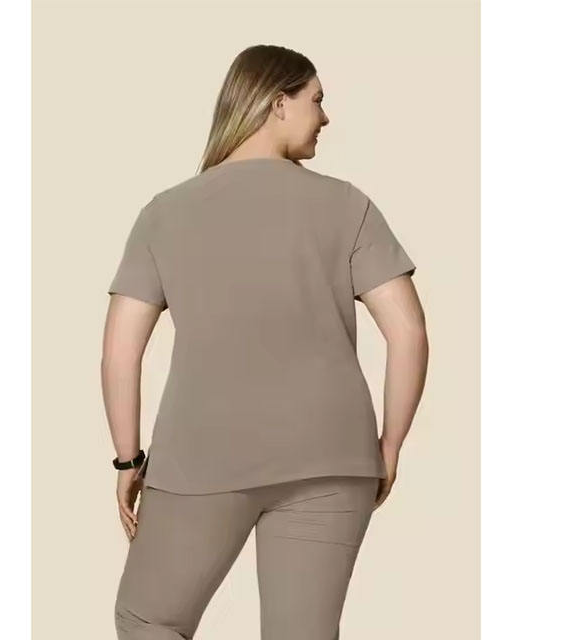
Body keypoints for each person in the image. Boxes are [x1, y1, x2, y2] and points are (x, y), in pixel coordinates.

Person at [101, 44, 428, 640]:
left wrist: (128, 458)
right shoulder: (348, 205)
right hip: (334, 455)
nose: (325, 117)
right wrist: (389, 444)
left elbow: (121, 350)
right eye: (316, 100)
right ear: (278, 103)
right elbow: (408, 332)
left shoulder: (164, 213)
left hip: (202, 456)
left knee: (149, 619)